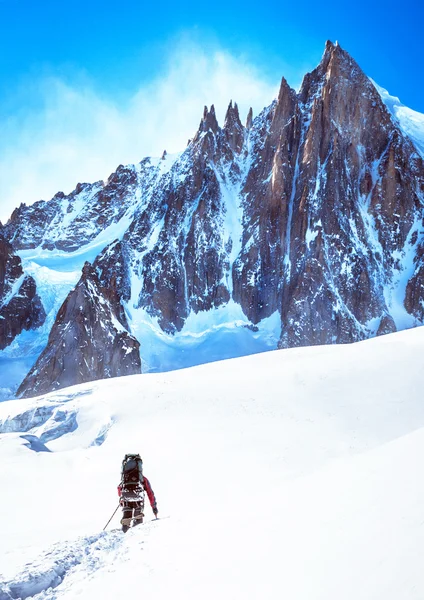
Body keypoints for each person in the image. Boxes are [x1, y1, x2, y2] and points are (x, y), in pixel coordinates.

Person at [117, 454, 158, 532]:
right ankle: (135, 538)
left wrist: (121, 499)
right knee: (138, 520)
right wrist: (154, 507)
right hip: (138, 500)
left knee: (126, 519)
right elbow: (150, 493)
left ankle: (124, 535)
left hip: (126, 499)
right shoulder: (142, 479)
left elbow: (119, 488)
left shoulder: (125, 479)